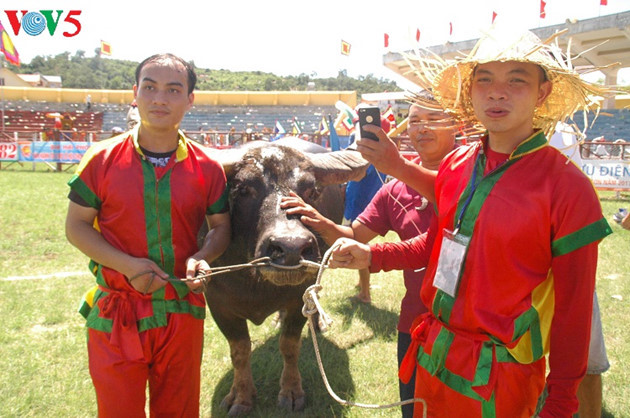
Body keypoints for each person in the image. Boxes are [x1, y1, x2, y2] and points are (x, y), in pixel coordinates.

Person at [328, 29, 613, 417]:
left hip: (502, 379)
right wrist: (371, 256)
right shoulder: (457, 164)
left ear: (542, 93)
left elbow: (573, 312)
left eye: (516, 80)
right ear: (470, 91)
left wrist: (560, 404)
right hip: (434, 357)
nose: (497, 93)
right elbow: (436, 247)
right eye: (485, 80)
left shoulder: (567, 188)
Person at [65, 53, 231, 416]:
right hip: (117, 313)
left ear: (190, 99)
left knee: (179, 410)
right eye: (150, 87)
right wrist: (127, 266)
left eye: (173, 90)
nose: (160, 99)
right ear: (135, 93)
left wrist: (202, 257)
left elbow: (221, 228)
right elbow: (75, 226)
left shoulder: (208, 166)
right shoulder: (101, 159)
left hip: (181, 311)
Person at [282, 98, 457, 417]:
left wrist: (398, 167)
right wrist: (319, 221)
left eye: (433, 118)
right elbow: (355, 235)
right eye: (414, 120)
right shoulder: (395, 190)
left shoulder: (477, 176)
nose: (422, 127)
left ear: (456, 123)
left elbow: (436, 245)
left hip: (470, 327)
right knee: (414, 409)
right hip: (416, 321)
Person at [549, 123, 610, 418]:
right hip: (518, 262)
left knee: (586, 356)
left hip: (567, 251)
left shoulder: (565, 131)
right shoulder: (499, 126)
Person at [344, 115, 390, 303]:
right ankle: (363, 284)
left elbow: (357, 173)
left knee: (359, 246)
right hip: (364, 203)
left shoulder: (369, 155)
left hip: (361, 206)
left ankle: (365, 294)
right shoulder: (379, 152)